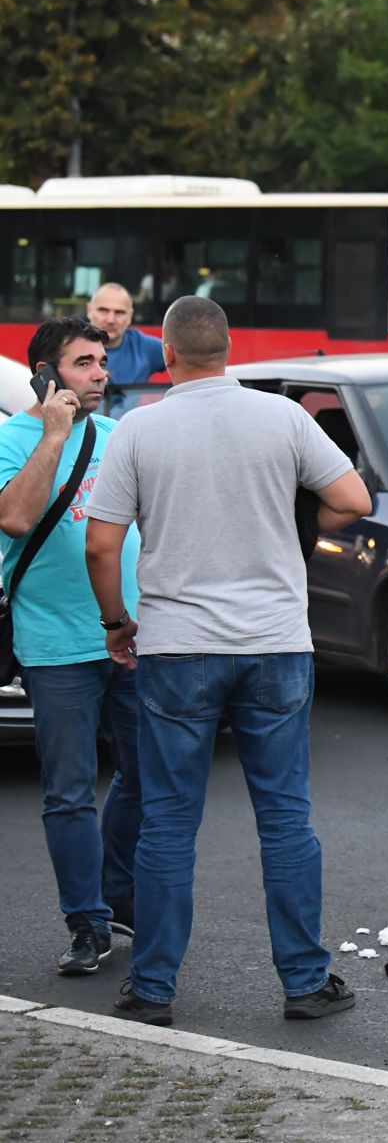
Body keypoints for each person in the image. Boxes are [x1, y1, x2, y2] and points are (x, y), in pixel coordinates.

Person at [83, 296, 374, 1028]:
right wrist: (292, 520)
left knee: (167, 823)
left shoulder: (140, 428)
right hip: (275, 643)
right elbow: (353, 498)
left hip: (176, 645)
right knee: (285, 819)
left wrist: (117, 623)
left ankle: (153, 989)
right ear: (229, 349)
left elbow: (101, 544)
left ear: (167, 354)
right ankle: (305, 982)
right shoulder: (282, 418)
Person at [0, 318, 144, 976]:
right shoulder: (11, 440)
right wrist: (54, 435)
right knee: (69, 792)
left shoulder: (117, 437)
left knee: (147, 775)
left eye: (101, 363)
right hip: (56, 647)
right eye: (83, 363)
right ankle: (87, 921)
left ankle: (115, 890)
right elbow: (14, 517)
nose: (99, 374)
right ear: (45, 374)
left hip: (133, 637)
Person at [87, 284, 165, 386]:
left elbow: (183, 356)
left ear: (130, 316)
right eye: (104, 311)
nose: (111, 320)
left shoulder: (143, 346)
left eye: (119, 312)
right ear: (89, 311)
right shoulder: (72, 347)